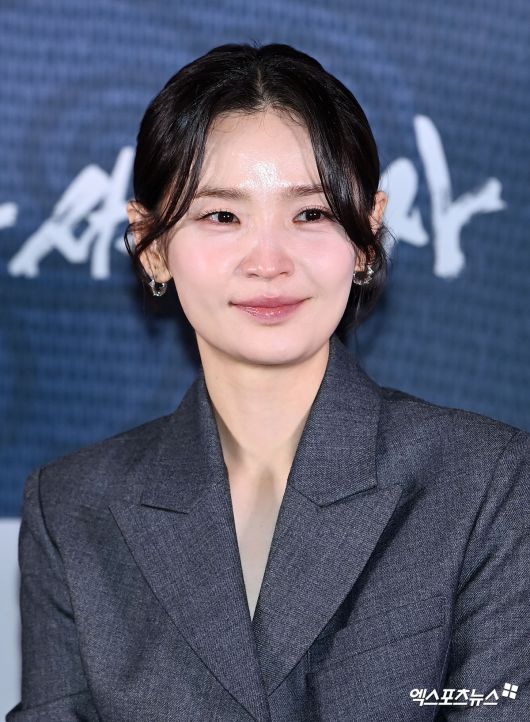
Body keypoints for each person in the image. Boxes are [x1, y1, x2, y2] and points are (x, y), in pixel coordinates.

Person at [7, 43, 530, 722]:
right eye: (222, 216)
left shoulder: (485, 483)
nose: (269, 261)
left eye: (310, 214)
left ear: (367, 235)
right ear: (152, 245)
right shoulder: (72, 510)